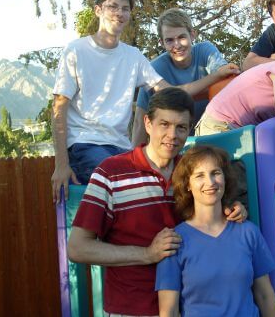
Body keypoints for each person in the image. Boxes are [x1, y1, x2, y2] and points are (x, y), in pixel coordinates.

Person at [51, 0, 239, 203]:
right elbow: (58, 108)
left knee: (165, 187)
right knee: (124, 189)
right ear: (98, 10)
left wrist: (216, 76)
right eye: (113, 6)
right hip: (86, 143)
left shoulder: (133, 57)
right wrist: (61, 165)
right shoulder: (76, 50)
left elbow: (172, 92)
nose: (119, 13)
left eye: (125, 8)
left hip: (120, 147)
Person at [67, 88, 247, 316]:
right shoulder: (111, 173)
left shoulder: (193, 172)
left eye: (181, 127)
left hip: (191, 306)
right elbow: (77, 248)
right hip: (132, 309)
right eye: (164, 124)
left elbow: (210, 221)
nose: (172, 134)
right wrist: (147, 254)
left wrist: (232, 212)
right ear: (148, 124)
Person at [156, 145, 275, 317]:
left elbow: (265, 296)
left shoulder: (248, 232)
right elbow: (168, 311)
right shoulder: (175, 241)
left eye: (216, 173)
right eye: (200, 175)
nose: (211, 182)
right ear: (188, 185)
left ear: (225, 178)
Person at [132, 8, 239, 147]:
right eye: (169, 40)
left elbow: (228, 81)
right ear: (162, 42)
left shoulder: (205, 50)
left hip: (215, 136)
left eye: (181, 37)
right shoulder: (154, 69)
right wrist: (133, 160)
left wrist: (214, 81)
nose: (177, 45)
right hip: (174, 144)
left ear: (192, 35)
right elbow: (140, 122)